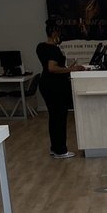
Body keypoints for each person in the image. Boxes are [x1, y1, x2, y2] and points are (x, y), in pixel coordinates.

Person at [36, 20, 84, 158]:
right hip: (55, 87)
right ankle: (61, 150)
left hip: (46, 85)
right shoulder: (54, 49)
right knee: (60, 118)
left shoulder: (40, 47)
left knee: (54, 117)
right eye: (59, 32)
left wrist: (67, 68)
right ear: (54, 32)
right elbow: (52, 68)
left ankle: (55, 147)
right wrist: (71, 69)